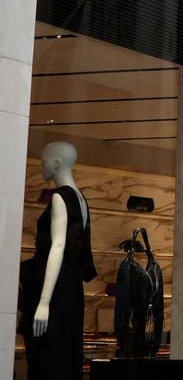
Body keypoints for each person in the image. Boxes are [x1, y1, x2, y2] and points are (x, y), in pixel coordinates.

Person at [19, 141, 97, 380]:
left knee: (49, 357)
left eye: (43, 162)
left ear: (56, 163)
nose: (41, 167)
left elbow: (58, 246)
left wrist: (44, 302)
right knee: (65, 355)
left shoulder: (60, 198)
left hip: (56, 293)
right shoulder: (80, 198)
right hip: (71, 292)